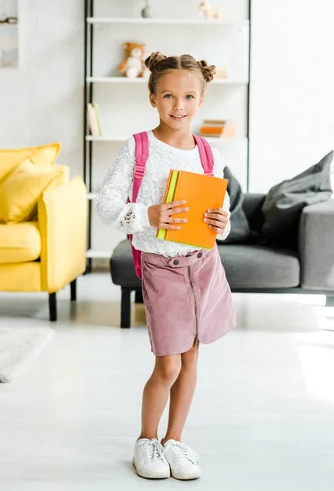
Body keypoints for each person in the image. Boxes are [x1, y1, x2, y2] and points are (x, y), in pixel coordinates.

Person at [96, 52, 236, 481]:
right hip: (162, 266)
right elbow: (105, 205)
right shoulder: (139, 147)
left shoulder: (206, 151)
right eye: (169, 96)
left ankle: (175, 440)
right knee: (168, 364)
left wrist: (222, 221)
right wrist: (148, 215)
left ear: (202, 98)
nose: (179, 105)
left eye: (189, 96)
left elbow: (219, 206)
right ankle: (146, 440)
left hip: (204, 265)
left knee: (192, 360)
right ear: (153, 98)